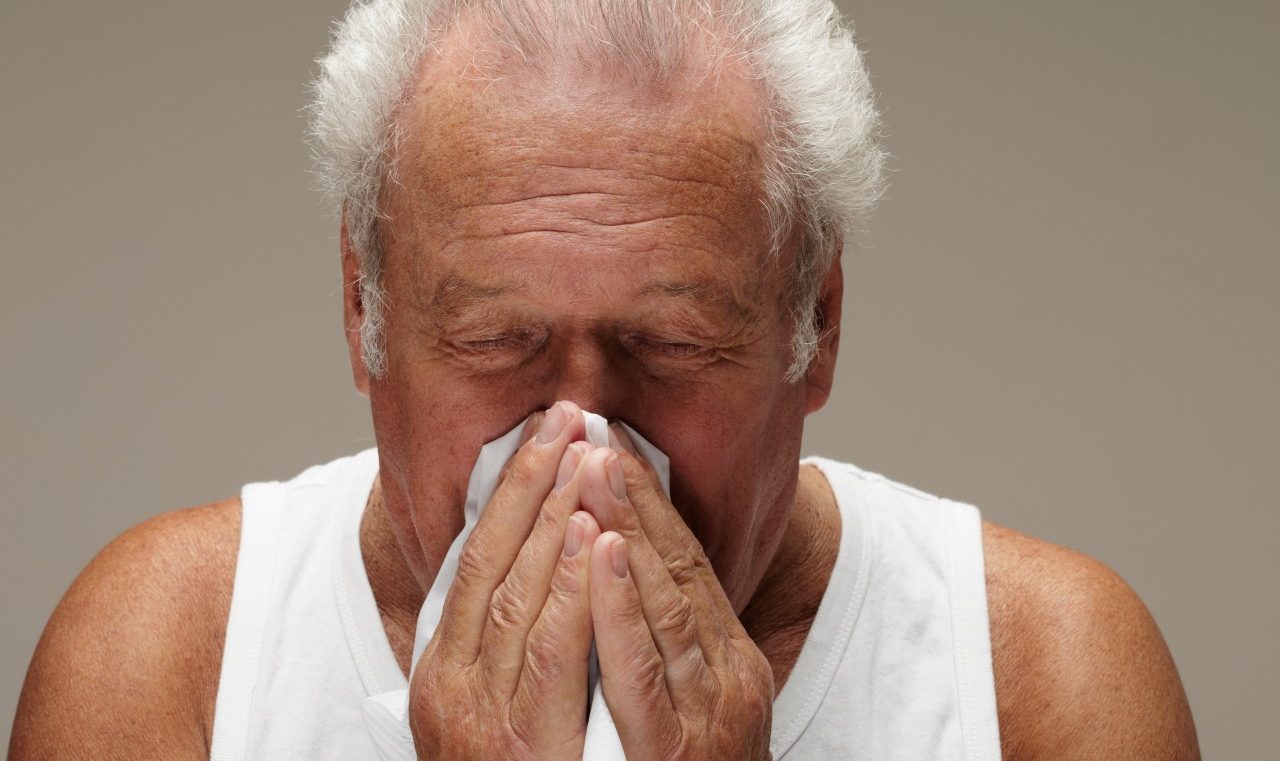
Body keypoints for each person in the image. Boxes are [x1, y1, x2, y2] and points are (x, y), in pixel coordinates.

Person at [9, 1, 1200, 759]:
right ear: (363, 308)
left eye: (671, 348)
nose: (581, 437)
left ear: (815, 322)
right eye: (493, 344)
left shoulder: (1041, 678)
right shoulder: (172, 661)